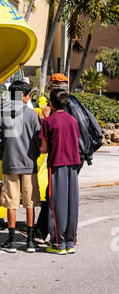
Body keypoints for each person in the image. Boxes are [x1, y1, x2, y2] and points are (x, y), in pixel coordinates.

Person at [34, 72, 103, 243]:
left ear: (54, 88)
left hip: (64, 155)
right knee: (66, 195)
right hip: (77, 155)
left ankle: (48, 235)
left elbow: (53, 131)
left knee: (54, 195)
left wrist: (44, 118)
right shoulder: (74, 101)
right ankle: (66, 234)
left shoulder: (62, 104)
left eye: (50, 87)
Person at [0, 80, 41, 253]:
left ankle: (12, 241)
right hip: (29, 164)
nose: (28, 99)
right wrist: (35, 155)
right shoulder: (33, 115)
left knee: (11, 203)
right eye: (27, 96)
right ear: (22, 95)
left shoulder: (1, 113)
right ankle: (29, 241)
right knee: (30, 203)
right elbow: (38, 140)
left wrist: (4, 156)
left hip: (10, 164)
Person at [39, 88, 81, 254]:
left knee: (56, 204)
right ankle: (70, 241)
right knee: (71, 203)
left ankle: (58, 243)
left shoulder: (49, 122)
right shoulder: (72, 120)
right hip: (73, 164)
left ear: (51, 103)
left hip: (57, 164)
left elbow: (44, 148)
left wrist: (44, 118)